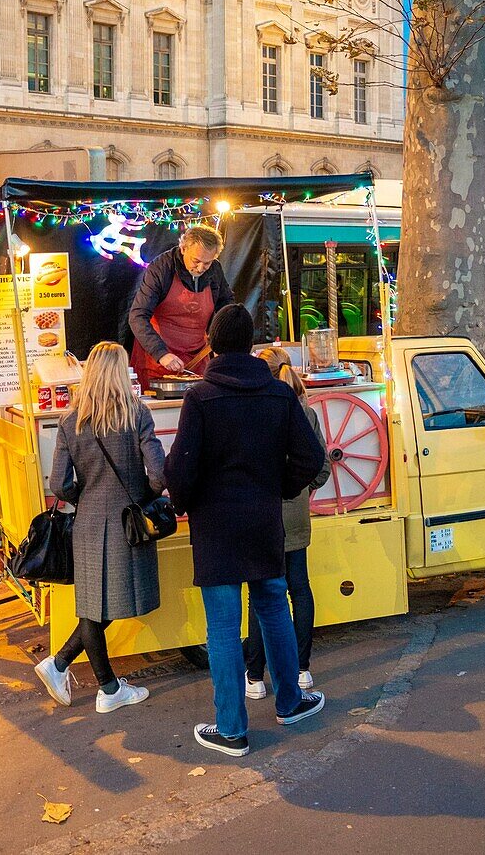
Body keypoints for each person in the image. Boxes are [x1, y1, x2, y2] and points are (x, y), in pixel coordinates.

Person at [165, 304, 327, 757]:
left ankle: (232, 729)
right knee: (274, 607)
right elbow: (312, 459)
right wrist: (279, 487)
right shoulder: (277, 394)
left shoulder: (200, 397)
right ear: (252, 345)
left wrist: (184, 503)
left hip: (216, 526)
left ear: (213, 345)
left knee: (222, 626)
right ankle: (291, 703)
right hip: (263, 519)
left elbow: (181, 468)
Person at [33, 341, 165, 713]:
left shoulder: (70, 420)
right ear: (119, 373)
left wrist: (85, 494)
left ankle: (58, 665)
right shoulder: (137, 414)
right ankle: (107, 689)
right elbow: (158, 475)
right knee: (98, 609)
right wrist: (143, 494)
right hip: (128, 521)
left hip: (89, 521)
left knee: (95, 605)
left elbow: (58, 484)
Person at [245, 346, 330, 698]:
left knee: (260, 596)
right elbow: (321, 467)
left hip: (260, 517)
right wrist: (299, 493)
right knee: (299, 588)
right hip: (295, 517)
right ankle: (302, 669)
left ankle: (254, 677)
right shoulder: (305, 413)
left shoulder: (253, 411)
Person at [129, 224, 233, 391]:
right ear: (183, 248)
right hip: (158, 359)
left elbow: (226, 307)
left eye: (207, 263)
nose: (201, 268)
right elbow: (137, 316)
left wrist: (224, 343)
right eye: (196, 261)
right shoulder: (161, 268)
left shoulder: (215, 270)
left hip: (198, 357)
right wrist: (161, 353)